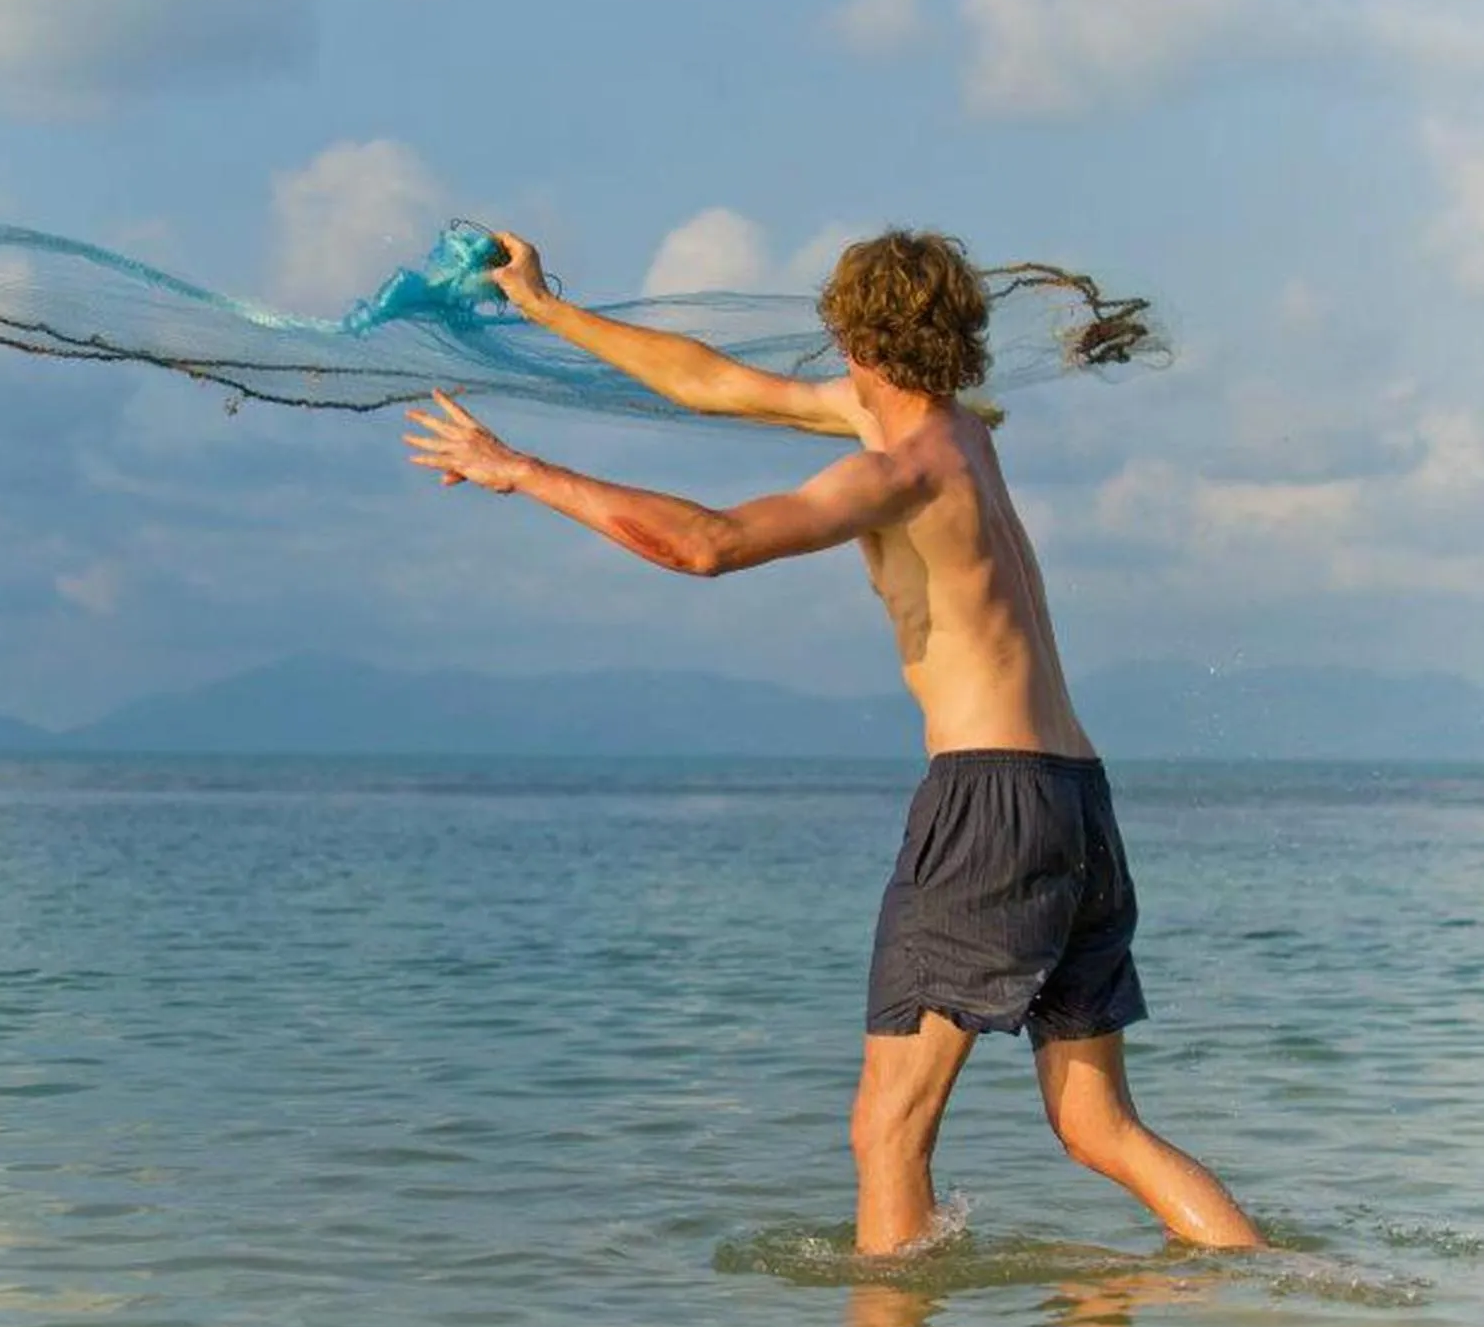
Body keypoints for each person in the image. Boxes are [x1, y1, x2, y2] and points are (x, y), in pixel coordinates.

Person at [402, 229, 1263, 1256]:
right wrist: (545, 310)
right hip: (1072, 792)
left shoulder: (899, 470)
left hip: (989, 801)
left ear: (853, 336)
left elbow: (705, 545)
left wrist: (519, 471)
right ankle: (1275, 1289)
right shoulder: (957, 433)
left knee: (884, 1132)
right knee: (1096, 1126)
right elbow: (709, 383)